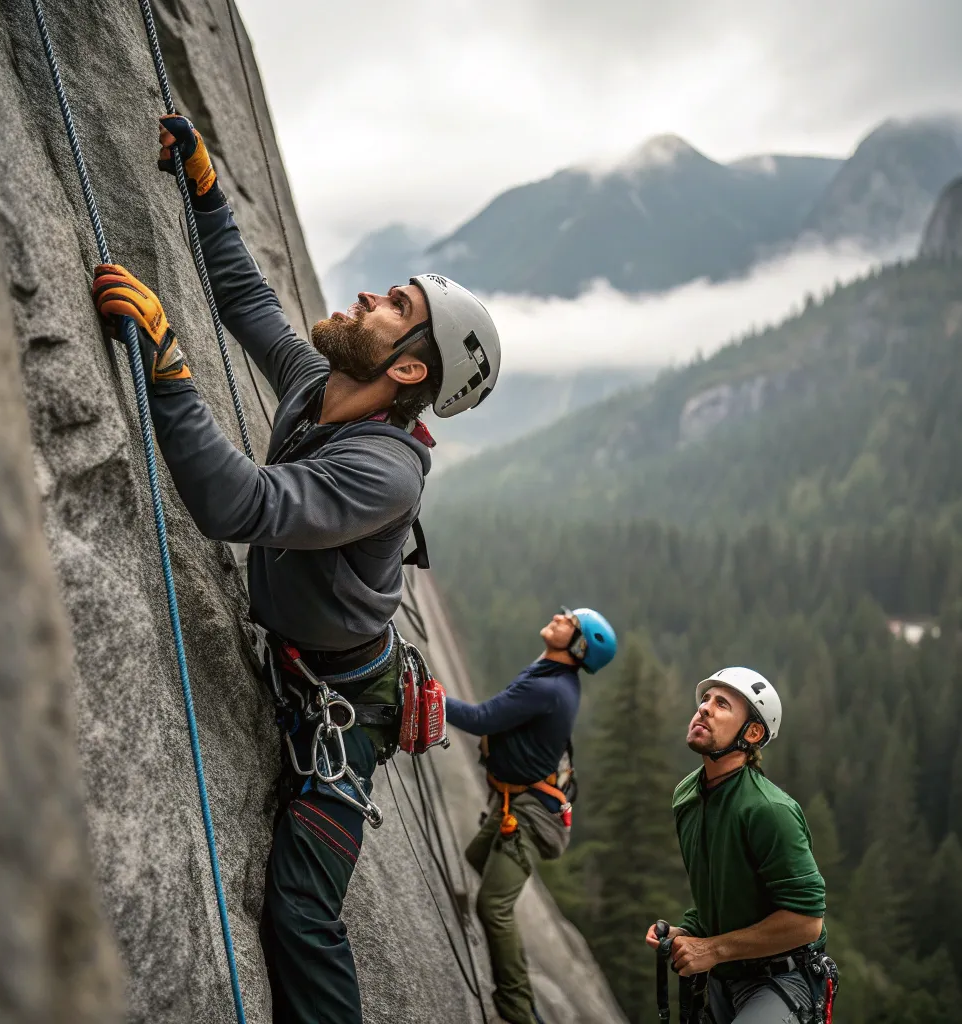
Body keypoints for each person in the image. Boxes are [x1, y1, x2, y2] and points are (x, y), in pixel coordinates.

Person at [91, 114, 501, 1024]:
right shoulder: (324, 389)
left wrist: (168, 368)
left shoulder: (384, 469)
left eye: (394, 306)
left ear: (404, 370)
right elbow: (248, 304)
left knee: (303, 914)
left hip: (345, 715)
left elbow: (242, 507)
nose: (366, 298)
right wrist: (204, 193)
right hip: (313, 665)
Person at [445, 607, 617, 1024]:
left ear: (577, 646)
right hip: (517, 801)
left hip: (530, 813)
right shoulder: (549, 675)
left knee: (493, 906)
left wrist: (426, 693)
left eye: (568, 622)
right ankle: (513, 973)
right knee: (475, 861)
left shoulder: (551, 690)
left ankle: (517, 1009)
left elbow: (481, 718)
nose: (558, 618)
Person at [646, 667, 836, 1024]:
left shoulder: (769, 810)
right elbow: (718, 892)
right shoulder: (688, 795)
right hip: (724, 978)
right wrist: (687, 932)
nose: (704, 708)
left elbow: (808, 922)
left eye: (722, 704)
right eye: (704, 700)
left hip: (783, 979)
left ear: (752, 733)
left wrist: (711, 949)